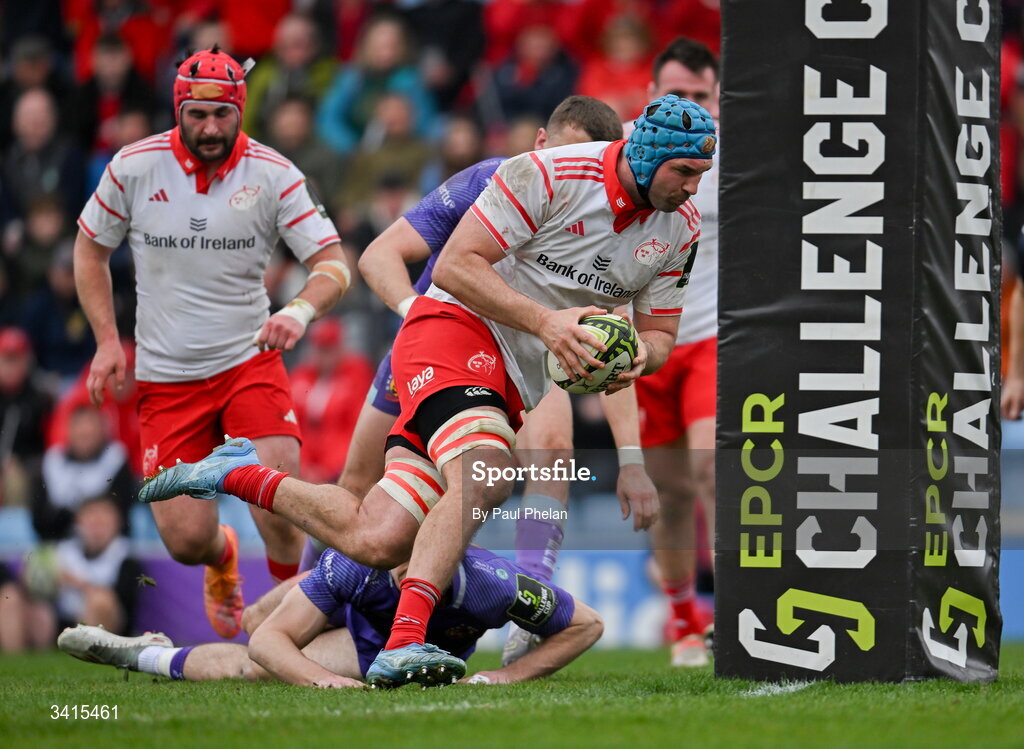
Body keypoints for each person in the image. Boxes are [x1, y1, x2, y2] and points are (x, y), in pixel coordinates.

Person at [141, 93, 714, 687]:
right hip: (450, 329)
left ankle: (239, 473)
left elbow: (660, 334)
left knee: (379, 537)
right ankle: (407, 640)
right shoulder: (533, 173)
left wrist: (636, 359)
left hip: (519, 373)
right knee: (488, 467)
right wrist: (533, 323)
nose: (694, 188)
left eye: (701, 175)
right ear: (645, 155)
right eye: (686, 172)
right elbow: (443, 265)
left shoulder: (679, 227)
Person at [348, 95, 656, 664]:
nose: (572, 176)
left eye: (587, 163)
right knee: (357, 481)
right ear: (540, 144)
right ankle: (306, 601)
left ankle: (528, 611)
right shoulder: (491, 179)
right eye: (563, 157)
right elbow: (379, 256)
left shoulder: (607, 226)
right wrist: (413, 314)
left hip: (527, 350)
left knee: (550, 447)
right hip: (435, 335)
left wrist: (632, 460)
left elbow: (616, 351)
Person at [74, 47, 352, 639]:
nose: (210, 127)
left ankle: (287, 625)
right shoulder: (134, 165)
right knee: (185, 540)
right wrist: (105, 342)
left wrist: (299, 311)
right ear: (180, 107)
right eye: (198, 114)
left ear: (240, 110)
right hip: (166, 376)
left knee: (279, 497)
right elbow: (89, 249)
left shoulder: (275, 173)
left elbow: (333, 263)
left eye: (223, 115)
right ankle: (222, 557)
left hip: (249, 360)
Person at [58, 544, 603, 688]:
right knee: (255, 627)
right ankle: (239, 568)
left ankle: (143, 653)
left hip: (370, 643)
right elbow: (272, 638)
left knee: (255, 669)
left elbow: (588, 624)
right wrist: (323, 683)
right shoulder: (357, 565)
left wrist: (506, 677)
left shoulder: (488, 583)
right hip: (344, 598)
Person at [628, 37, 720, 668]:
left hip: (713, 337)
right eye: (676, 94)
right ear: (652, 95)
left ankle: (742, 613)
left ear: (718, 94)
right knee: (668, 493)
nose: (689, 105)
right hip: (639, 345)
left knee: (716, 469)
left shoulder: (730, 155)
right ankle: (686, 623)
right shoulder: (632, 148)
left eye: (699, 94)